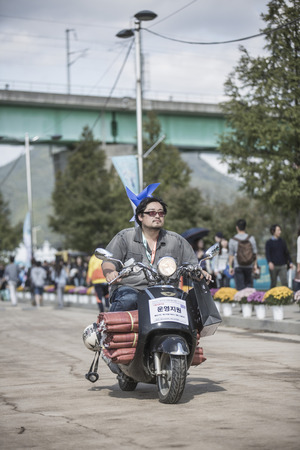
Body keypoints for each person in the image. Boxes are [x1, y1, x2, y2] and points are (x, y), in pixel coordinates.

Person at [102, 196, 211, 312]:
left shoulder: (176, 241)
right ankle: (111, 328)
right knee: (129, 299)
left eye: (161, 213)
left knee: (189, 305)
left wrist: (201, 273)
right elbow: (109, 261)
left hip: (165, 290)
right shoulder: (125, 237)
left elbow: (192, 266)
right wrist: (110, 272)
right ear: (140, 216)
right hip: (131, 288)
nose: (157, 216)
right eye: (152, 213)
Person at [228, 219, 258, 291]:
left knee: (240, 288)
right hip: (249, 265)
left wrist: (230, 267)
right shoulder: (251, 238)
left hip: (238, 266)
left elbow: (231, 255)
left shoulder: (233, 240)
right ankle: (249, 301)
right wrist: (255, 265)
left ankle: (241, 301)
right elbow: (255, 253)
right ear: (245, 227)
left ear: (237, 227)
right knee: (249, 288)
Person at [265, 224, 293, 289]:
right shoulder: (269, 242)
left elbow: (287, 253)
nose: (280, 232)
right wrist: (269, 262)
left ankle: (286, 297)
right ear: (273, 231)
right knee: (273, 283)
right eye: (278, 230)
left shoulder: (282, 241)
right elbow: (267, 253)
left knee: (284, 283)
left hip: (282, 265)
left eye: (280, 230)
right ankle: (271, 298)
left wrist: (290, 262)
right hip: (273, 266)